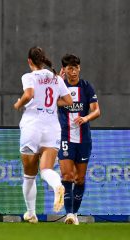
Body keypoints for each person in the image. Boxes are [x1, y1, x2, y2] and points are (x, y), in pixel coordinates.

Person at [13, 46, 73, 223]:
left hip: (32, 125)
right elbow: (69, 101)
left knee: (29, 175)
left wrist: (18, 104)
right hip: (52, 126)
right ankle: (57, 186)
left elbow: (29, 94)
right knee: (46, 169)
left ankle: (31, 213)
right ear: (43, 60)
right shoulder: (56, 78)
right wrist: (53, 103)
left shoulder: (29, 76)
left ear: (29, 61)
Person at [58, 54, 100, 225]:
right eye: (69, 68)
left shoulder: (86, 86)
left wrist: (85, 118)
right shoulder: (60, 86)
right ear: (65, 69)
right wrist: (57, 83)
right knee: (67, 175)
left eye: (75, 67)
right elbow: (49, 102)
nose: (73, 71)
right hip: (65, 136)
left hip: (83, 138)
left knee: (80, 179)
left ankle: (75, 213)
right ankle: (68, 214)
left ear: (79, 68)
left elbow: (96, 111)